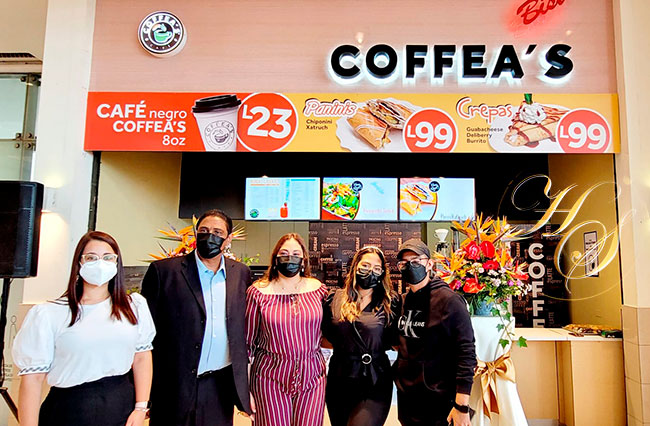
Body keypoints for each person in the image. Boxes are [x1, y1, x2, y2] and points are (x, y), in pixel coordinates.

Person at [12, 231, 155, 426]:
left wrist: (141, 407)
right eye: (91, 258)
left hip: (120, 406)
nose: (100, 263)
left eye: (108, 257)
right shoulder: (50, 313)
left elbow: (141, 357)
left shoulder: (133, 307)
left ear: (116, 263)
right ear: (79, 264)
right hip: (69, 409)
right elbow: (33, 380)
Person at [142, 209, 252, 426]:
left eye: (217, 232)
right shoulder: (164, 272)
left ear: (229, 239)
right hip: (173, 385)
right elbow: (145, 335)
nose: (210, 236)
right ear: (195, 233)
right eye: (204, 230)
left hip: (219, 386)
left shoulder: (240, 273)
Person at [245, 233, 328, 426]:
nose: (290, 258)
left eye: (295, 254)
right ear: (275, 258)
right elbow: (246, 344)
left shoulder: (318, 290)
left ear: (303, 260)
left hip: (312, 376)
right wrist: (244, 389)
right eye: (284, 253)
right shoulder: (258, 292)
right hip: (269, 376)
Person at [393, 238, 477, 426]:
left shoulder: (450, 301)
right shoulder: (404, 301)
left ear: (429, 264)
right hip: (408, 400)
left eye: (416, 261)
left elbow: (466, 352)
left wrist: (462, 406)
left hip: (439, 401)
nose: (410, 266)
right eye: (404, 263)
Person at [322, 246, 401, 426]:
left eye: (377, 268)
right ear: (355, 266)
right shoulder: (334, 299)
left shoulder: (390, 302)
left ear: (382, 273)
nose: (370, 271)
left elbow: (396, 341)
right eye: (365, 266)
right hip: (339, 379)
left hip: (374, 381)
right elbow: (324, 337)